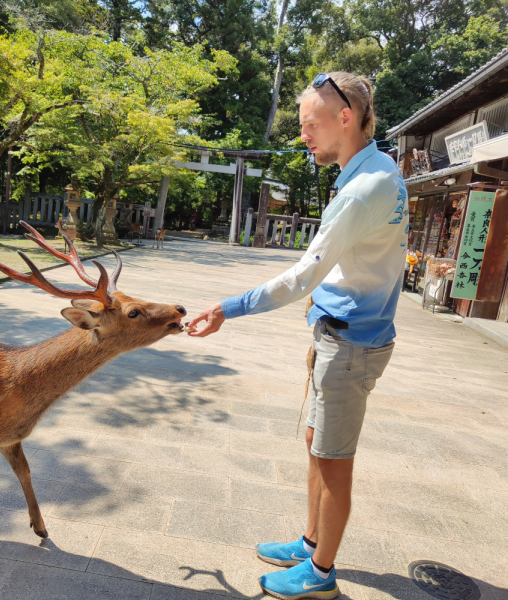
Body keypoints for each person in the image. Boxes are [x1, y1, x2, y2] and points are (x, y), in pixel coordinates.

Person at [188, 72, 407, 600]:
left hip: (350, 342)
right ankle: (311, 541)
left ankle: (321, 574)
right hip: (342, 333)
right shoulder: (374, 168)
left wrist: (228, 308)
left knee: (333, 461)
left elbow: (301, 277)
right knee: (317, 441)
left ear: (346, 117)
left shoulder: (361, 190)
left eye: (310, 124)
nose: (303, 134)